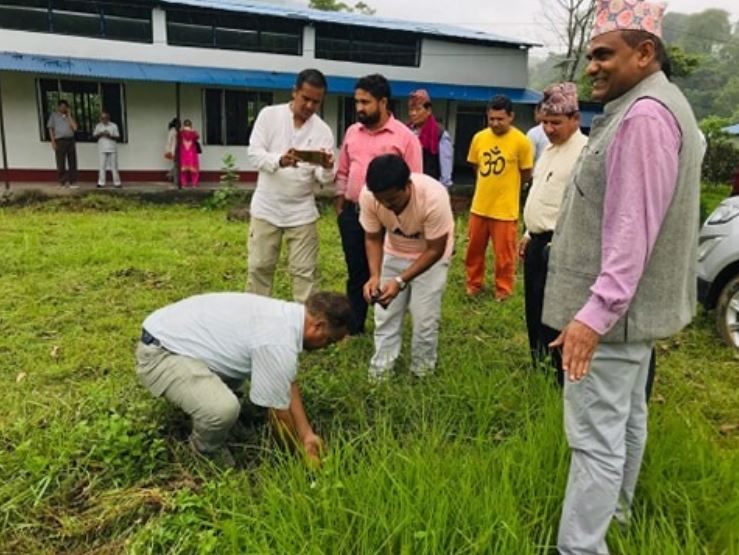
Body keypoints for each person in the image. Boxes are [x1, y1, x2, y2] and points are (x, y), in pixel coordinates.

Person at [540, 2, 703, 553]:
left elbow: (632, 231)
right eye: (590, 56)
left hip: (610, 318)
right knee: (626, 422)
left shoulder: (644, 118)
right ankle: (620, 520)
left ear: (645, 53)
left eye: (604, 54)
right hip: (630, 320)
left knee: (594, 440)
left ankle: (581, 547)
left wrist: (594, 315)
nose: (592, 67)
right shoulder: (659, 106)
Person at [136, 291, 352, 466]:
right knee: (222, 410)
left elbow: (286, 380)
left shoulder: (288, 317)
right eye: (329, 341)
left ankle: (219, 419)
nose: (326, 347)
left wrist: (307, 435)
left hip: (181, 338)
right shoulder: (278, 340)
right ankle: (205, 450)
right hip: (161, 352)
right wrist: (297, 455)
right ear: (319, 326)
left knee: (249, 369)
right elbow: (278, 414)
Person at [335, 74, 422, 334]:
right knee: (357, 271)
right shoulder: (352, 132)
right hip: (353, 214)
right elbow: (342, 171)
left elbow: (414, 181)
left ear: (383, 102)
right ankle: (354, 327)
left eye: (366, 102)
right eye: (357, 102)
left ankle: (384, 328)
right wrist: (341, 207)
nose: (359, 107)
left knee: (387, 270)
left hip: (388, 217)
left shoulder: (405, 137)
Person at [359, 154, 454, 382]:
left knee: (424, 319)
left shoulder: (433, 197)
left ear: (407, 186)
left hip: (431, 257)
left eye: (393, 200)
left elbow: (435, 249)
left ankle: (421, 373)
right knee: (385, 314)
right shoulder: (369, 196)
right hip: (394, 251)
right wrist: (375, 275)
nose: (387, 207)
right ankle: (380, 372)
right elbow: (372, 237)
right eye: (382, 201)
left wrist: (400, 281)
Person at [247, 69, 335, 302]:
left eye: (316, 102)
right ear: (294, 92)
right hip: (267, 207)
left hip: (302, 211)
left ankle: (303, 328)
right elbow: (254, 154)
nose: (309, 105)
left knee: (304, 273)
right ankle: (255, 319)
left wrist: (327, 166)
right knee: (259, 268)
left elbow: (324, 179)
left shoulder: (323, 130)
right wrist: (279, 160)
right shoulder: (269, 115)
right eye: (305, 98)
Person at [519, 82, 587, 386]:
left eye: (556, 122)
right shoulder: (547, 150)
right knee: (534, 307)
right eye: (544, 122)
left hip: (561, 246)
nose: (548, 128)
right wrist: (527, 231)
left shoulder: (584, 153)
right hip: (536, 241)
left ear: (575, 118)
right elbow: (540, 192)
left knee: (556, 313)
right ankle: (539, 365)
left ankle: (560, 374)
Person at [465, 95, 534, 301]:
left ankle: (503, 290)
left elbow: (526, 172)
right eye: (492, 119)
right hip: (480, 206)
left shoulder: (521, 141)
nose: (495, 123)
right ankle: (473, 284)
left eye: (500, 119)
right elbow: (476, 166)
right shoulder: (479, 138)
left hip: (505, 210)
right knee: (473, 250)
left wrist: (509, 187)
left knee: (504, 256)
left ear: (511, 117)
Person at [407, 89, 453, 187]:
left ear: (428, 111)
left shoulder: (440, 134)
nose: (413, 113)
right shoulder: (406, 132)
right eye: (411, 110)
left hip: (430, 187)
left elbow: (445, 175)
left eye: (418, 109)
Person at [47, 99, 78, 188]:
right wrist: (53, 142)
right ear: (59, 107)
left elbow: (75, 128)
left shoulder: (69, 116)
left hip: (70, 140)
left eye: (65, 107)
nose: (63, 108)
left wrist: (69, 115)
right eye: (62, 107)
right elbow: (50, 129)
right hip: (60, 140)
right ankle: (62, 181)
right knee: (60, 161)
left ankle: (73, 181)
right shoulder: (53, 116)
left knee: (72, 161)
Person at [93, 111, 121, 189]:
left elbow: (118, 137)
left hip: (112, 148)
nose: (104, 119)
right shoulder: (98, 126)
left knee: (114, 166)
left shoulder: (114, 126)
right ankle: (101, 183)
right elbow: (94, 136)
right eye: (102, 118)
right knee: (102, 166)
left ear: (109, 118)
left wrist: (109, 136)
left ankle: (117, 183)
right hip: (102, 148)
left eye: (105, 118)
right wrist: (100, 134)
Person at [178, 119, 200, 187]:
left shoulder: (180, 133)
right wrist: (193, 131)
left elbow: (177, 138)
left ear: (184, 125)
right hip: (192, 153)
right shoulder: (194, 133)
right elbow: (197, 137)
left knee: (183, 171)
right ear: (191, 125)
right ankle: (194, 184)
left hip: (183, 153)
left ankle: (184, 184)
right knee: (194, 170)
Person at [164, 117, 180, 184]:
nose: (180, 125)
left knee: (177, 165)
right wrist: (172, 152)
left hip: (174, 150)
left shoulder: (174, 131)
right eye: (179, 123)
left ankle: (170, 174)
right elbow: (171, 143)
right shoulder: (173, 132)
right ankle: (175, 180)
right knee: (176, 165)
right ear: (176, 124)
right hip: (173, 151)